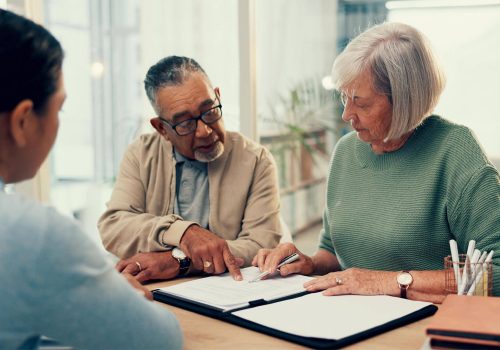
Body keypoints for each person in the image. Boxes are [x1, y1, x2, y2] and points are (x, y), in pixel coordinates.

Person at [253, 22, 500, 302]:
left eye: (362, 103)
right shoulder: (346, 152)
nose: (346, 114)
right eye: (345, 97)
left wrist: (389, 281)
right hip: (349, 319)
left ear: (406, 100)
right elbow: (333, 250)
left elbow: (497, 272)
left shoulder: (456, 151)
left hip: (423, 328)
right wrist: (308, 262)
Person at [0, 9, 182, 349]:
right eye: (59, 109)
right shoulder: (32, 234)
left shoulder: (251, 156)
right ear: (22, 120)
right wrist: (122, 301)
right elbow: (159, 341)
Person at [98, 55, 281, 283]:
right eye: (185, 123)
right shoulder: (141, 154)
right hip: (154, 289)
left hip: (228, 290)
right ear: (162, 128)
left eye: (210, 111)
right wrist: (183, 232)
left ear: (218, 96)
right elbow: (114, 225)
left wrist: (178, 261)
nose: (204, 130)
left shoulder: (256, 160)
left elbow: (260, 245)